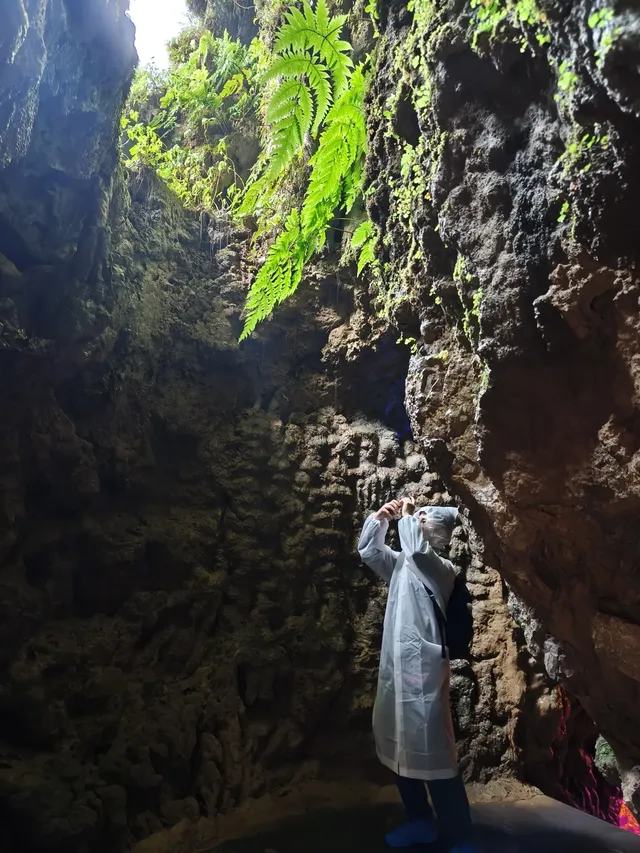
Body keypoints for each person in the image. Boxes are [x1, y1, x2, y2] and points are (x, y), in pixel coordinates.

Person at [358, 496, 477, 853]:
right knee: (397, 743)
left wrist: (408, 516)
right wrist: (379, 520)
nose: (417, 518)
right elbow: (370, 553)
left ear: (437, 533)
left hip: (423, 669)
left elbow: (417, 550)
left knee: (434, 752)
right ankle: (420, 821)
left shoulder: (440, 568)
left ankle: (460, 835)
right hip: (396, 669)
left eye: (424, 517)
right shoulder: (402, 563)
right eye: (417, 515)